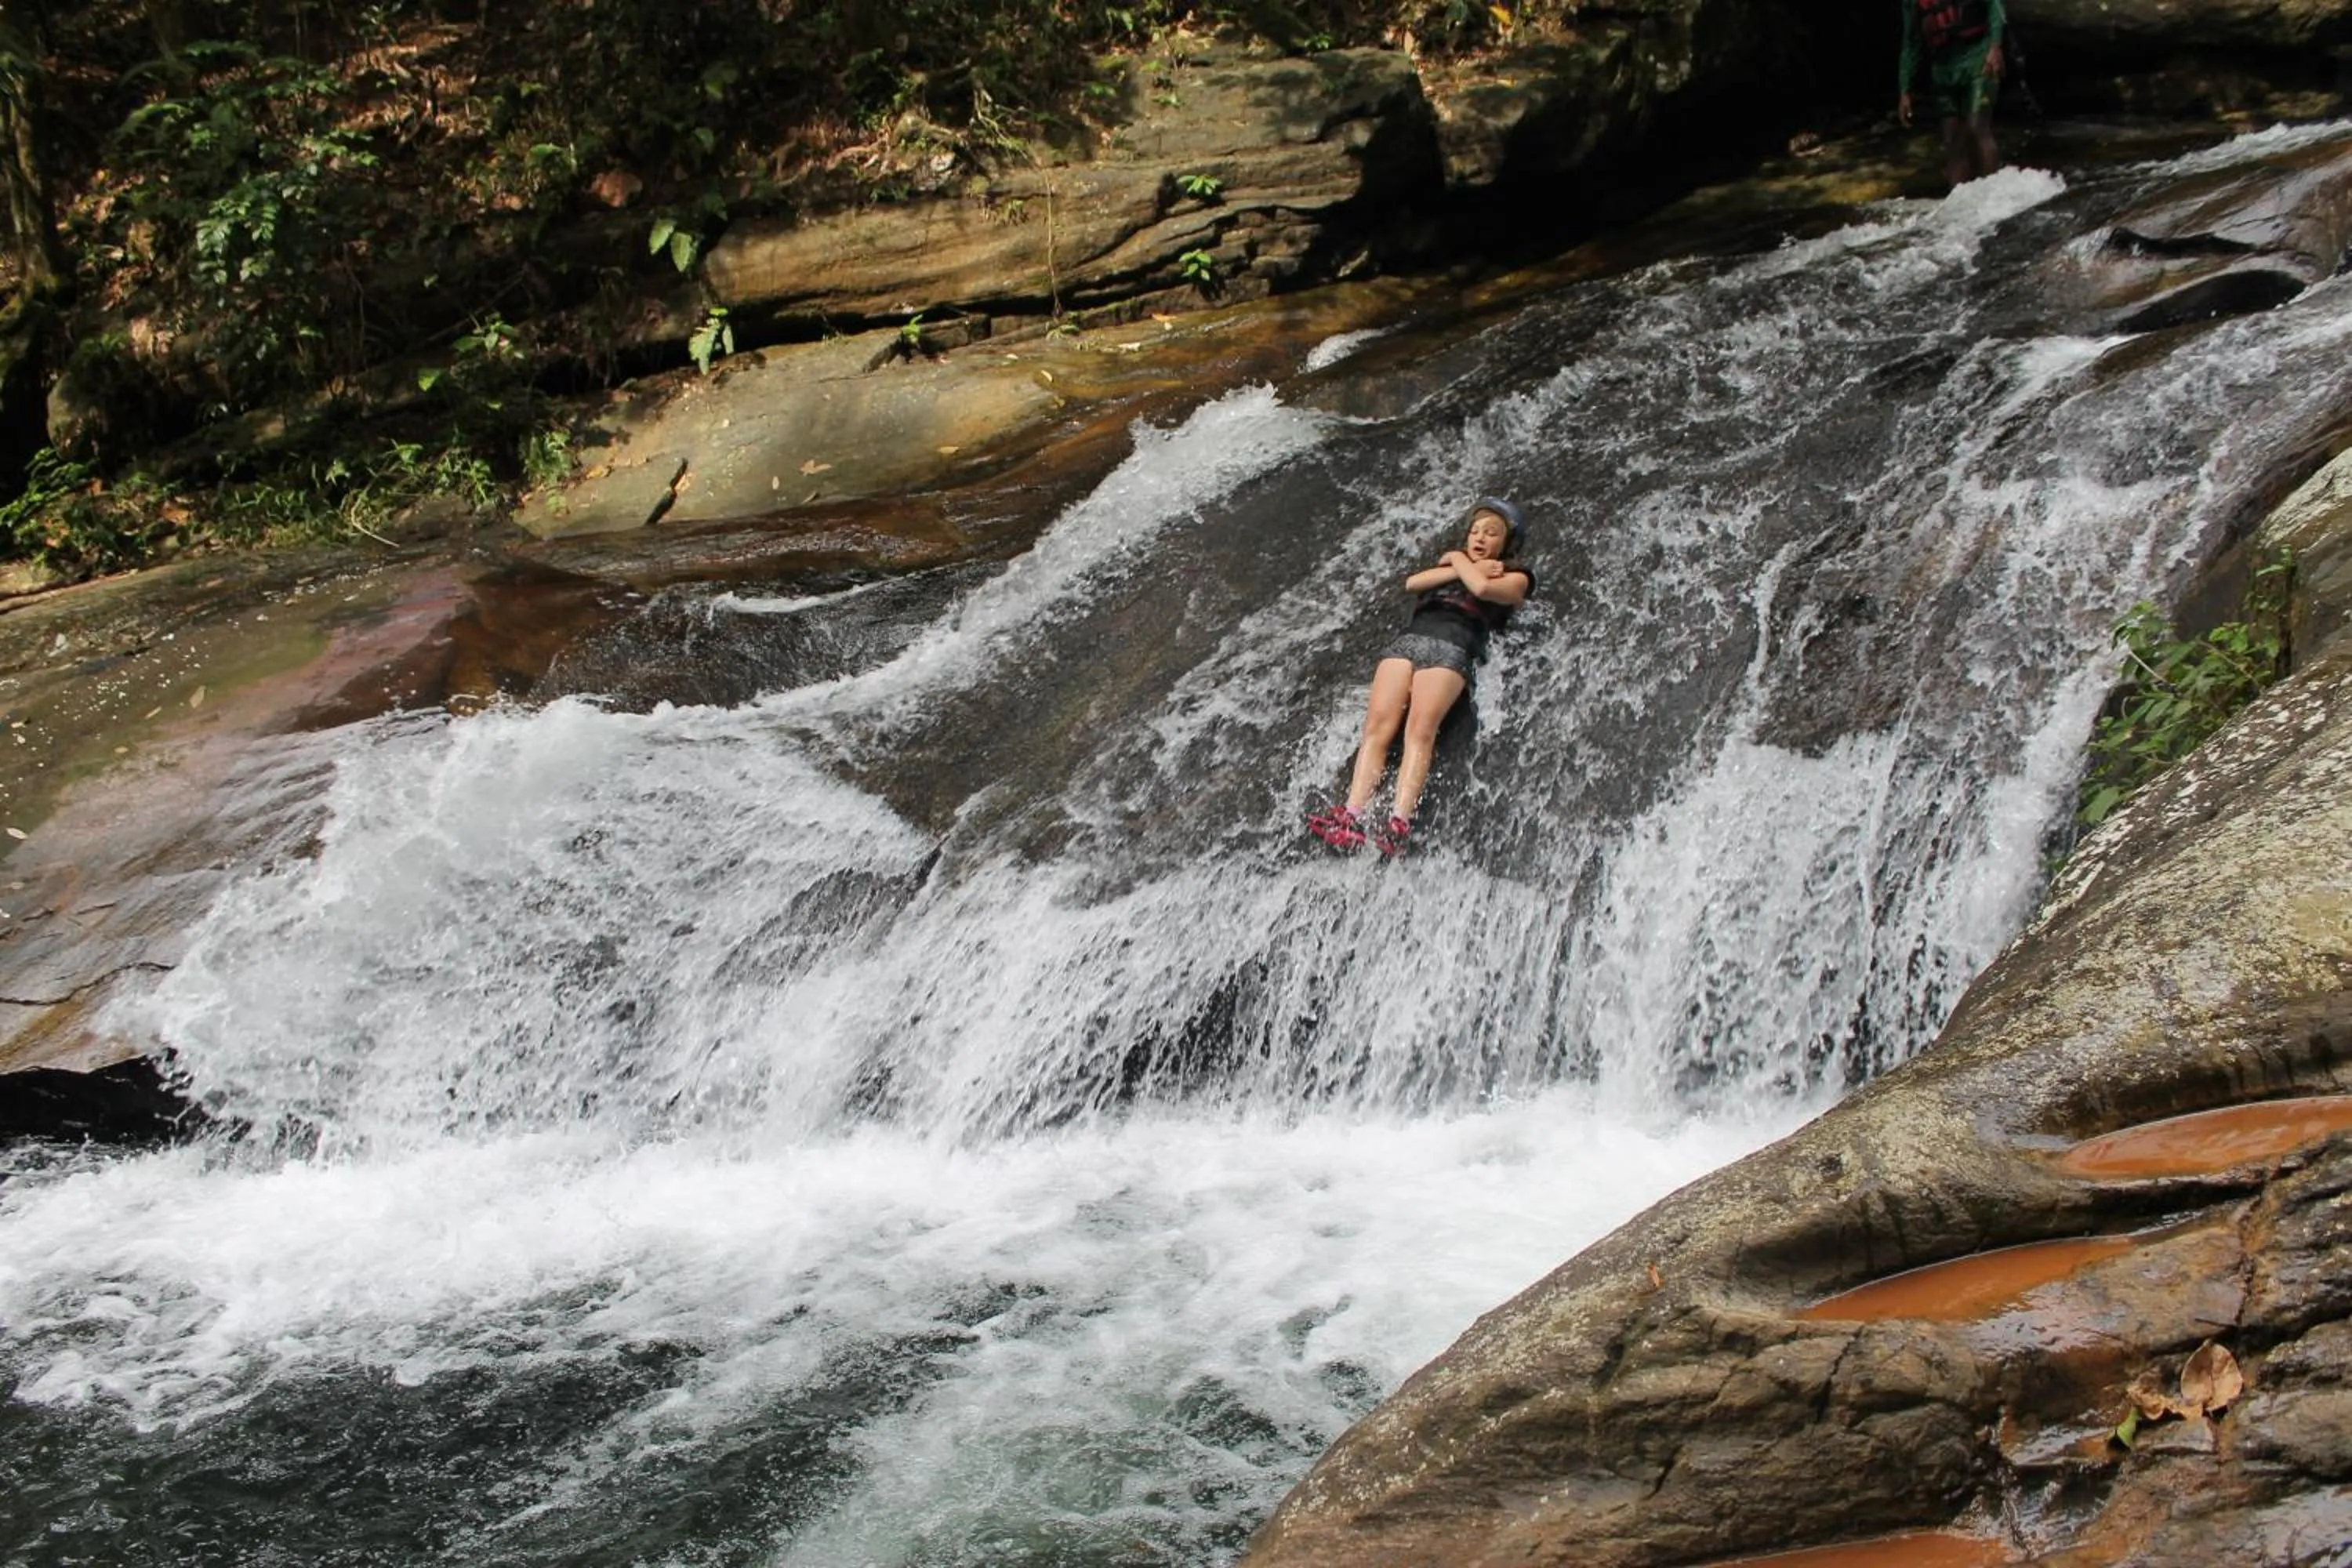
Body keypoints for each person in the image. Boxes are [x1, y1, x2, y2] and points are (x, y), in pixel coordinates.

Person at [1307, 498, 1534, 857]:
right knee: (1377, 729)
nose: (1479, 537)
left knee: (1419, 731)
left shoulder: (1517, 578)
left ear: (1506, 543)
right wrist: (1462, 562)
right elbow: (1414, 582)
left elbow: (1483, 590)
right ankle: (1351, 815)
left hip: (1453, 645)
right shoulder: (1457, 565)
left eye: (1491, 533)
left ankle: (1399, 820)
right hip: (1408, 643)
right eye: (1474, 531)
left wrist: (1458, 563)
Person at [1898, 0, 2005, 188]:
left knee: (1977, 126)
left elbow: (1994, 7)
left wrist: (1995, 46)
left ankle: (1995, 193)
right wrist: (1905, 90)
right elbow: (1911, 42)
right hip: (1943, 69)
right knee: (1952, 138)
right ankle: (1959, 199)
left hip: (1978, 59)